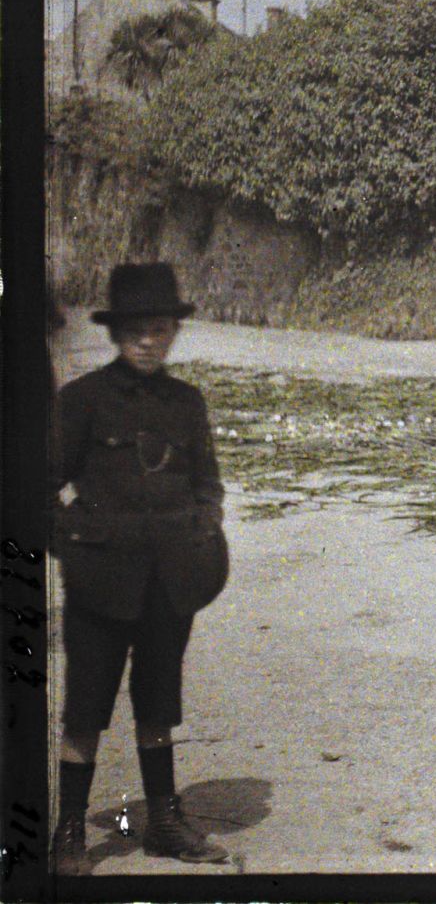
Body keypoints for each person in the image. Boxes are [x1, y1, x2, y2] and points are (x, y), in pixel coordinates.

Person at [52, 264, 230, 874]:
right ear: (115, 333)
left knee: (159, 700)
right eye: (136, 329)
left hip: (168, 582)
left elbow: (208, 484)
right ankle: (71, 832)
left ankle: (162, 821)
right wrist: (74, 546)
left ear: (174, 332)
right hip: (100, 582)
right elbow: (38, 490)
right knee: (85, 706)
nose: (149, 341)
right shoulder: (80, 402)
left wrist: (204, 534)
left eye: (160, 328)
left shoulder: (187, 403)